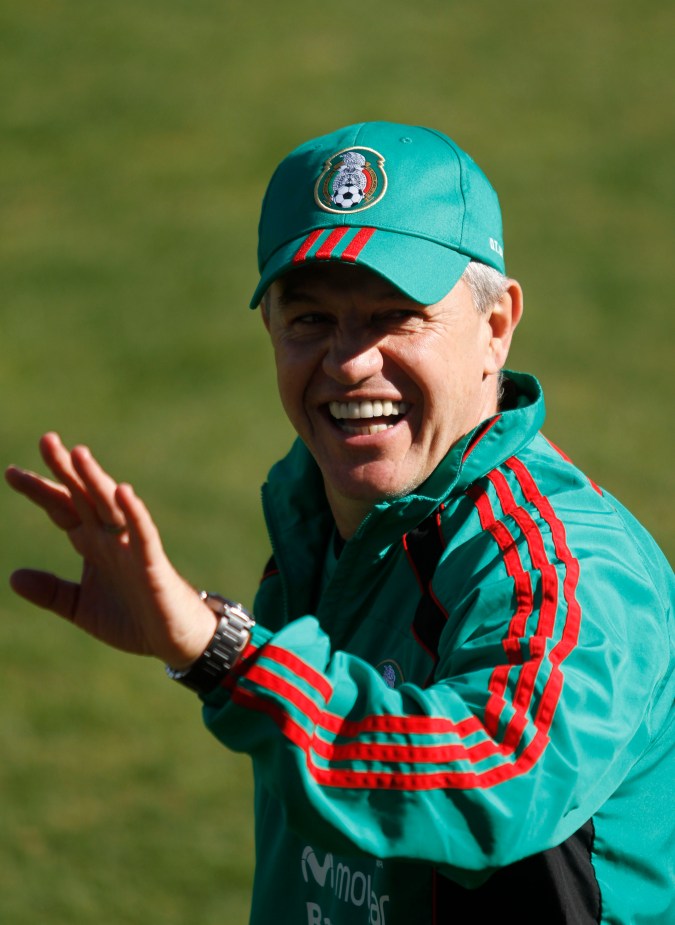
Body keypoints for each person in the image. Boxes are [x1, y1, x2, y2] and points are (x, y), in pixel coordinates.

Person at [6, 122, 673, 925]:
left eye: (395, 315)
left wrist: (218, 649)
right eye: (311, 319)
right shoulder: (318, 515)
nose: (349, 360)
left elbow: (490, 779)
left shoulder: (565, 566)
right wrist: (194, 634)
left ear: (495, 328)